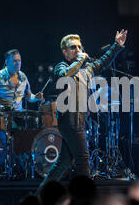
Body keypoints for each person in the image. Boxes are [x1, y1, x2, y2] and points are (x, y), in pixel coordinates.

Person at [36, 29, 128, 193]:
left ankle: (39, 196)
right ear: (65, 52)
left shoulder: (87, 69)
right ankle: (84, 199)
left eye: (79, 47)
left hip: (80, 120)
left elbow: (103, 61)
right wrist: (79, 60)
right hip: (69, 120)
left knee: (63, 162)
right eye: (73, 47)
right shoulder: (61, 67)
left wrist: (116, 45)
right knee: (83, 159)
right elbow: (66, 76)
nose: (78, 50)